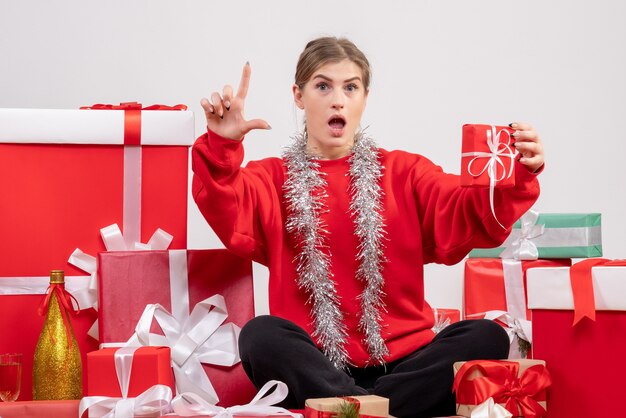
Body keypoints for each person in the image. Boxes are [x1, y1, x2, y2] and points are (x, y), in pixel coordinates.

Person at [192, 37, 544, 418]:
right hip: (318, 365)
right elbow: (227, 203)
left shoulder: (404, 172)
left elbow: (462, 207)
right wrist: (221, 146)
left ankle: (355, 408)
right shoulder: (272, 179)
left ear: (364, 96)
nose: (337, 99)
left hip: (407, 360)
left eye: (351, 87)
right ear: (299, 95)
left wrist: (518, 173)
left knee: (487, 335)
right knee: (260, 336)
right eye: (323, 86)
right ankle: (384, 406)